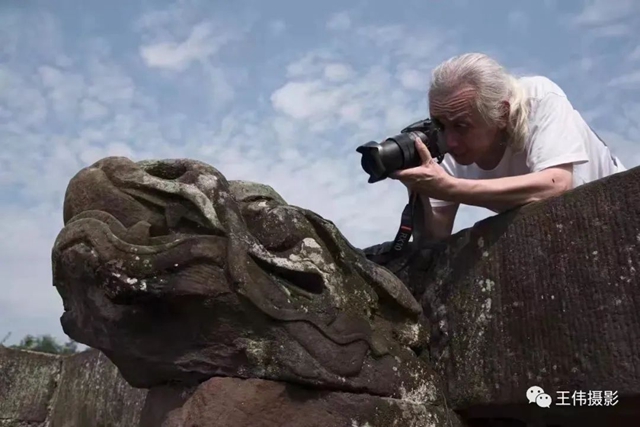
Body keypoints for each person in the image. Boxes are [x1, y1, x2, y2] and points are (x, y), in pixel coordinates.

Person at [390, 52, 626, 241]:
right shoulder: (448, 138)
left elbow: (556, 184)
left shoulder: (539, 98)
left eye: (462, 126)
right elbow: (434, 238)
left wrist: (450, 188)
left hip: (620, 211)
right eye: (440, 124)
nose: (449, 141)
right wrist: (419, 189)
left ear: (502, 113)